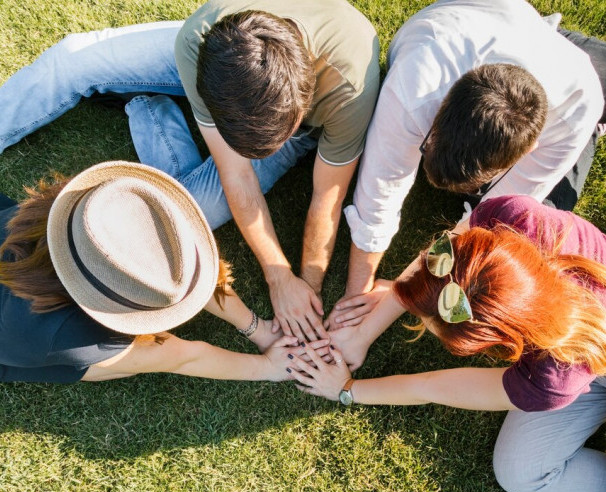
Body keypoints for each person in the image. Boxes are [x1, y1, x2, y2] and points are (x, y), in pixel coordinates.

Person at [0, 0, 381, 341]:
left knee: (175, 219)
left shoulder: (349, 92)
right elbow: (238, 175)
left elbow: (326, 198)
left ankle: (149, 106)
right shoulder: (203, 38)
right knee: (70, 59)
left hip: (298, 118)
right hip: (227, 64)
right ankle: (157, 103)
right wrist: (275, 274)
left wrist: (302, 283)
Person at [291, 195, 606, 492]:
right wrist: (367, 330)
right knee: (520, 474)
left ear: (502, 342)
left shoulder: (550, 379)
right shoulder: (510, 218)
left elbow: (436, 387)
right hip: (588, 354)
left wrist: (348, 391)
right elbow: (446, 253)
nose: (422, 323)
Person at [328, 0, 606, 329]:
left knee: (529, 226)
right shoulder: (414, 88)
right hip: (485, 32)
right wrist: (355, 298)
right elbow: (379, 196)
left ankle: (591, 133)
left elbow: (487, 217)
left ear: (530, 148)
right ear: (441, 112)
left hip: (561, 64)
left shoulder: (574, 106)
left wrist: (396, 299)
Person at [0, 160, 328, 383]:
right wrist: (267, 367)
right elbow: (182, 356)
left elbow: (186, 268)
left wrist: (255, 328)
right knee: (106, 366)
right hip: (13, 345)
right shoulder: (68, 335)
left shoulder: (91, 209)